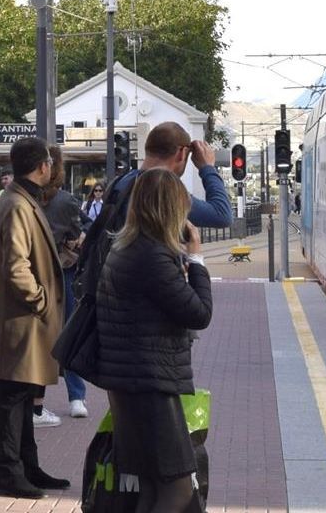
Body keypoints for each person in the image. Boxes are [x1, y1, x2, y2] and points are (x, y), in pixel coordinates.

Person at [87, 168, 213, 512]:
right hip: (149, 387)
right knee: (177, 488)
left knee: (150, 486)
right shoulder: (151, 256)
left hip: (130, 385)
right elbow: (199, 313)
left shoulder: (126, 248)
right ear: (169, 210)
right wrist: (197, 257)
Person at [0, 137, 68, 498]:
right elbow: (16, 266)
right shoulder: (17, 204)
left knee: (23, 393)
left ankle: (27, 466)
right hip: (23, 319)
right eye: (48, 162)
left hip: (25, 319)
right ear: (42, 165)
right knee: (13, 396)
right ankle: (10, 473)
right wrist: (41, 300)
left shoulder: (19, 199)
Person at [75, 123, 232, 301]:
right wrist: (207, 169)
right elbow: (222, 214)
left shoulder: (119, 184)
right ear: (181, 153)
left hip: (110, 291)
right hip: (146, 297)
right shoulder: (164, 190)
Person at [40, 147, 90, 422]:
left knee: (36, 336)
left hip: (33, 274)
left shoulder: (24, 199)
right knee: (71, 331)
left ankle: (34, 399)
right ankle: (76, 397)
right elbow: (83, 229)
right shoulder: (66, 201)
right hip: (65, 272)